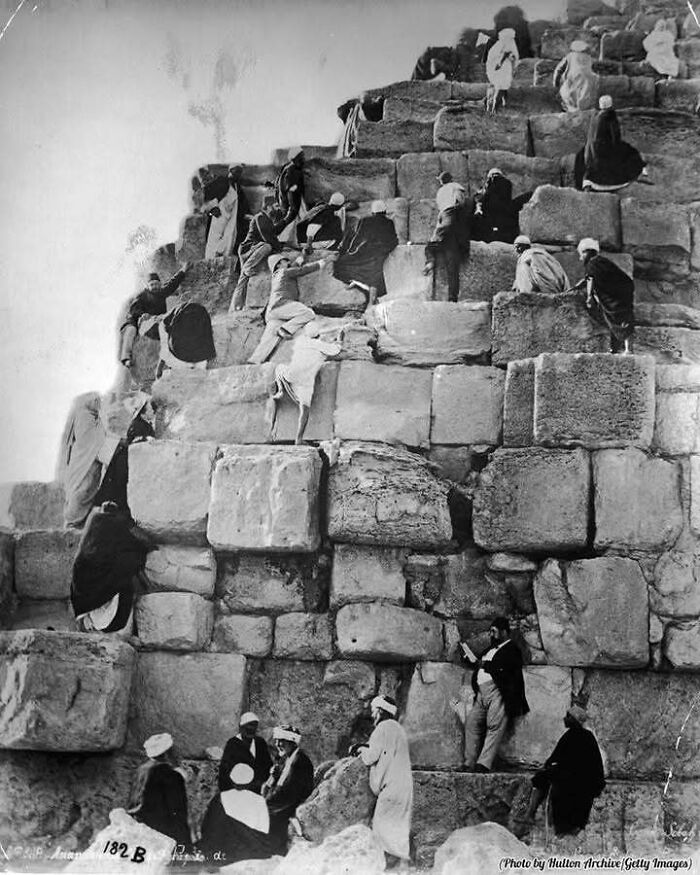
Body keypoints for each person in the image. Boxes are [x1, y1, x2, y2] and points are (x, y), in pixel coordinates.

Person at [519, 706, 605, 836]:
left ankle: (530, 814)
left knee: (540, 779)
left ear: (574, 720)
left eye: (568, 716)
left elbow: (556, 758)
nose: (565, 719)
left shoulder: (570, 736)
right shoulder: (588, 736)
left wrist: (548, 767)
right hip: (585, 778)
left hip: (572, 776)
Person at [71, 501, 154, 635]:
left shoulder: (82, 559)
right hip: (114, 622)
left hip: (88, 621)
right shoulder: (123, 558)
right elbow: (147, 544)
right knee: (129, 575)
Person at [460, 617, 529, 773]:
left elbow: (508, 669)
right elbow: (482, 665)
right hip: (482, 693)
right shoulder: (489, 650)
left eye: (494, 631)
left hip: (498, 691)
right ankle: (469, 761)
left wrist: (486, 665)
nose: (491, 635)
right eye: (490, 631)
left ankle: (484, 764)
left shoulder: (512, 649)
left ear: (504, 632)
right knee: (471, 723)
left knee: (494, 726)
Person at [352, 695, 413, 869]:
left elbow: (370, 757)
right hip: (404, 788)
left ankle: (388, 866)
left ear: (380, 710)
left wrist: (360, 748)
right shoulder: (398, 729)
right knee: (398, 827)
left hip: (391, 788)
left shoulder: (382, 727)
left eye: (373, 710)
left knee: (382, 827)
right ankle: (400, 866)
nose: (372, 714)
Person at [270, 322, 343, 444]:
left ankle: (281, 389)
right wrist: (339, 340)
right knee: (305, 409)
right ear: (318, 336)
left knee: (279, 368)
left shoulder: (300, 341)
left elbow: (312, 336)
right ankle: (299, 438)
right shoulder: (320, 345)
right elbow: (335, 351)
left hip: (292, 374)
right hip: (306, 380)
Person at [247, 254, 325, 364]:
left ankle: (255, 360)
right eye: (285, 261)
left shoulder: (276, 276)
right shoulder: (285, 272)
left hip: (271, 312)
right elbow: (300, 270)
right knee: (308, 313)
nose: (288, 262)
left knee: (269, 338)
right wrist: (319, 264)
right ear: (278, 264)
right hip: (283, 304)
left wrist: (303, 254)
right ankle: (285, 329)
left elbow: (295, 266)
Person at [56, 392, 118, 528]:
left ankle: (80, 523)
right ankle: (73, 522)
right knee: (80, 491)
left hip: (90, 463)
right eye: (95, 400)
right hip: (84, 462)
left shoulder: (94, 418)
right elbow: (89, 440)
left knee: (86, 491)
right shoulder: (84, 416)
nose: (98, 403)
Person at [128, 732, 192, 853]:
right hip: (164, 836)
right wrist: (186, 847)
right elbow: (177, 813)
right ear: (167, 753)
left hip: (143, 833)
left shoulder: (140, 771)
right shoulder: (171, 776)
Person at [199, 763, 273, 867]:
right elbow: (265, 830)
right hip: (253, 852)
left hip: (226, 852)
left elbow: (207, 828)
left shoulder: (220, 798)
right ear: (251, 781)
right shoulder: (259, 800)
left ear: (232, 780)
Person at [93, 394, 155, 516]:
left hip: (132, 458)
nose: (153, 411)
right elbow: (134, 441)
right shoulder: (137, 425)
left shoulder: (145, 424)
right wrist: (146, 438)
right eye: (150, 409)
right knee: (121, 483)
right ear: (143, 413)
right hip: (126, 459)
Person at [119, 264, 189, 369]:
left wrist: (183, 271)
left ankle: (176, 359)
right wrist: (142, 314)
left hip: (154, 321)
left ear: (160, 284)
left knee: (170, 330)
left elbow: (172, 283)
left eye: (157, 284)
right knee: (130, 331)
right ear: (147, 286)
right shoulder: (142, 295)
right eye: (152, 285)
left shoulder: (161, 292)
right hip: (136, 321)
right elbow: (134, 310)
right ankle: (126, 359)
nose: (155, 287)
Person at [574, 237, 634, 354]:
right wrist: (577, 286)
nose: (581, 258)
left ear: (587, 252)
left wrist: (589, 297)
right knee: (619, 320)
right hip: (623, 293)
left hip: (615, 297)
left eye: (582, 254)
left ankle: (623, 349)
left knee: (617, 319)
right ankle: (619, 349)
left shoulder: (592, 263)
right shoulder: (601, 261)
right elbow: (588, 279)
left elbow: (590, 280)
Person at [333, 200, 399, 304]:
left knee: (341, 263)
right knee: (375, 271)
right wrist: (386, 249)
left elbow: (357, 239)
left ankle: (358, 283)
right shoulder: (389, 222)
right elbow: (394, 240)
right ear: (385, 211)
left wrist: (350, 251)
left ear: (373, 212)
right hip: (381, 253)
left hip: (366, 251)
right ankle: (370, 294)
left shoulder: (366, 221)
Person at [262, 725, 314, 855]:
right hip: (285, 800)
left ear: (292, 742)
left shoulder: (298, 761)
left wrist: (266, 801)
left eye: (282, 741)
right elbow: (275, 784)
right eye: (277, 740)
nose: (278, 744)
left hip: (292, 803)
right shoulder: (287, 758)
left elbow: (287, 792)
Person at [578, 95, 648, 192]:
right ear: (611, 106)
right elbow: (615, 139)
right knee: (631, 153)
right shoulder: (610, 117)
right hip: (603, 156)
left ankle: (588, 183)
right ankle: (642, 174)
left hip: (590, 154)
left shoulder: (594, 117)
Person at [423, 171, 473, 303]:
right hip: (459, 228)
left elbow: (442, 210)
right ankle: (452, 298)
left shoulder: (441, 192)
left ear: (441, 181)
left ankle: (430, 261)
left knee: (430, 245)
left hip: (446, 218)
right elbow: (462, 204)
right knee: (453, 265)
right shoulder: (458, 188)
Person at [231, 198, 289, 311]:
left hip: (252, 249)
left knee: (243, 279)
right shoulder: (260, 217)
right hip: (248, 249)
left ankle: (237, 307)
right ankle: (248, 267)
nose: (277, 208)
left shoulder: (265, 219)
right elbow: (267, 237)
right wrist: (279, 248)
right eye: (275, 206)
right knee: (267, 246)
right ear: (267, 207)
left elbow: (272, 232)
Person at [141, 301, 216, 378]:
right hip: (200, 313)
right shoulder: (168, 317)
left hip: (188, 320)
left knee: (174, 354)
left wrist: (159, 369)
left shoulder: (162, 324)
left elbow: (165, 350)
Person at [202, 164, 251, 261]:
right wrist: (212, 208)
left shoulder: (237, 187)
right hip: (219, 217)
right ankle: (210, 266)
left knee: (228, 243)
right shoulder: (222, 181)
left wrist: (249, 215)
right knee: (214, 244)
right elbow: (206, 194)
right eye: (236, 171)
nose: (238, 174)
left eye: (239, 172)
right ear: (230, 171)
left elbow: (242, 205)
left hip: (231, 220)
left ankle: (222, 268)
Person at [219, 712, 273, 795]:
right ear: (241, 728)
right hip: (238, 790)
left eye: (254, 727)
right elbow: (225, 771)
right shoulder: (232, 744)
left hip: (258, 790)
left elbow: (267, 765)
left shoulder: (260, 743)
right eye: (248, 727)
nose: (251, 730)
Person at [473, 168, 519, 244]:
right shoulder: (508, 183)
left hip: (491, 213)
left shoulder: (492, 181)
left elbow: (486, 196)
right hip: (505, 216)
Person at [553, 41, 597, 112]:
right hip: (588, 81)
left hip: (573, 79)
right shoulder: (589, 58)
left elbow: (558, 70)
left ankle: (572, 110)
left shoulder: (569, 56)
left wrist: (555, 84)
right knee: (584, 99)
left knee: (569, 97)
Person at [485, 28, 519, 112]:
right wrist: (500, 63)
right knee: (502, 86)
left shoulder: (501, 44)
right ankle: (494, 109)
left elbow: (508, 54)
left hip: (501, 67)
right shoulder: (505, 43)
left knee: (502, 86)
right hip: (502, 67)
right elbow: (506, 53)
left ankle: (503, 105)